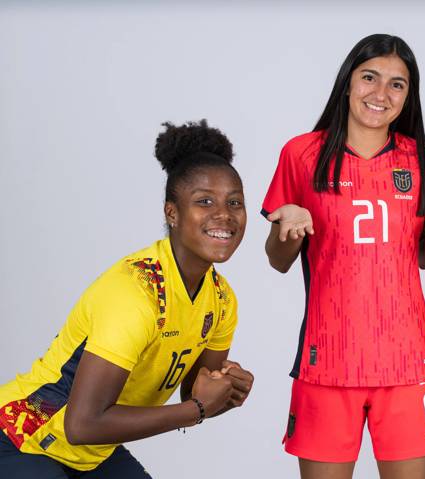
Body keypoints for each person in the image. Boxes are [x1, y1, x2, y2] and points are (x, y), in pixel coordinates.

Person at [262, 34, 425, 479]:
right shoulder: (302, 154)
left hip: (408, 362)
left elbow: (422, 256)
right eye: (370, 77)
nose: (381, 93)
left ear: (409, 96)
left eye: (397, 84)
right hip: (327, 360)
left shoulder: (422, 160)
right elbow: (278, 259)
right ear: (348, 82)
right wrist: (288, 226)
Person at [0, 120, 254, 478]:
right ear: (172, 213)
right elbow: (83, 423)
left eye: (235, 203)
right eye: (204, 201)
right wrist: (197, 409)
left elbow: (194, 393)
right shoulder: (135, 291)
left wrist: (226, 393)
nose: (224, 215)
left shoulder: (222, 300)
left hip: (89, 451)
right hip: (21, 437)